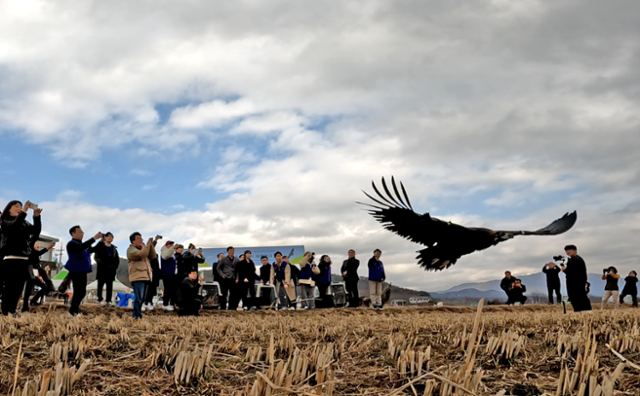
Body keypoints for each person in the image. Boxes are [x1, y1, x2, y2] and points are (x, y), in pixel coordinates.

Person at [1, 200, 42, 316]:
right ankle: (5, 312)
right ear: (9, 209)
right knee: (9, 287)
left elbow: (36, 231)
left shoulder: (24, 222)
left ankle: (12, 310)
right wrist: (24, 211)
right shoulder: (5, 221)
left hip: (24, 258)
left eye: (20, 206)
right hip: (11, 258)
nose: (19, 208)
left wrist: (36, 217)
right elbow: (14, 226)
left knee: (18, 288)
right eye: (16, 206)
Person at [66, 226, 101, 317]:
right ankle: (72, 311)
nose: (82, 234)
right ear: (73, 233)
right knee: (78, 291)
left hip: (83, 270)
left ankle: (74, 311)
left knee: (82, 292)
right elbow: (81, 247)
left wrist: (101, 242)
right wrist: (94, 238)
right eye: (80, 232)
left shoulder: (83, 245)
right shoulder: (72, 244)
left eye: (82, 232)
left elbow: (93, 249)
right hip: (76, 270)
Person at [127, 232, 157, 319]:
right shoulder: (131, 250)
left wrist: (151, 247)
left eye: (141, 238)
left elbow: (153, 256)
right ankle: (136, 315)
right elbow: (140, 255)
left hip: (146, 276)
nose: (141, 240)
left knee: (143, 298)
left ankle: (138, 314)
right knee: (138, 298)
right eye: (138, 238)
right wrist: (147, 246)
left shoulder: (144, 249)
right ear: (133, 241)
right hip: (137, 277)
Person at [22, 241, 55, 311]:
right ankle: (26, 307)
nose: (38, 245)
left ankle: (32, 302)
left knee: (44, 287)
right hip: (30, 274)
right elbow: (41, 252)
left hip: (34, 274)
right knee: (28, 291)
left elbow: (40, 253)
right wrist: (49, 247)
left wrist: (50, 247)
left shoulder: (35, 254)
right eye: (36, 244)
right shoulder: (31, 253)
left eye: (38, 244)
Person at [89, 232, 120, 306]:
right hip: (102, 269)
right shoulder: (100, 246)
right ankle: (99, 299)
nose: (110, 238)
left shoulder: (114, 249)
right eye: (109, 236)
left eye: (112, 237)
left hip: (111, 270)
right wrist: (103, 264)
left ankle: (108, 300)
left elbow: (117, 260)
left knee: (110, 285)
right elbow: (96, 257)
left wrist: (114, 267)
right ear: (105, 238)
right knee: (100, 284)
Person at [560, 245, 592, 312]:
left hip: (578, 282)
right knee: (573, 298)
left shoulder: (577, 260)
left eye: (570, 250)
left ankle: (586, 310)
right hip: (571, 282)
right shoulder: (571, 260)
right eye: (566, 251)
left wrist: (565, 269)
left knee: (580, 297)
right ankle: (578, 311)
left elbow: (574, 271)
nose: (568, 252)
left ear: (575, 250)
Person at [160, 241, 181, 311]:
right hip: (166, 274)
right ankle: (165, 304)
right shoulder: (164, 252)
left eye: (172, 244)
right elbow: (166, 256)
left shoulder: (172, 254)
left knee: (172, 290)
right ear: (167, 245)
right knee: (167, 289)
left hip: (172, 274)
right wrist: (173, 248)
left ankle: (171, 303)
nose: (172, 246)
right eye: (170, 245)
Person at [143, 236, 163, 311]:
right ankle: (146, 302)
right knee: (148, 289)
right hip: (149, 273)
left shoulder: (154, 256)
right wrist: (153, 242)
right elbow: (149, 248)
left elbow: (152, 249)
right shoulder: (147, 254)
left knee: (152, 289)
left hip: (155, 274)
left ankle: (150, 302)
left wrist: (155, 240)